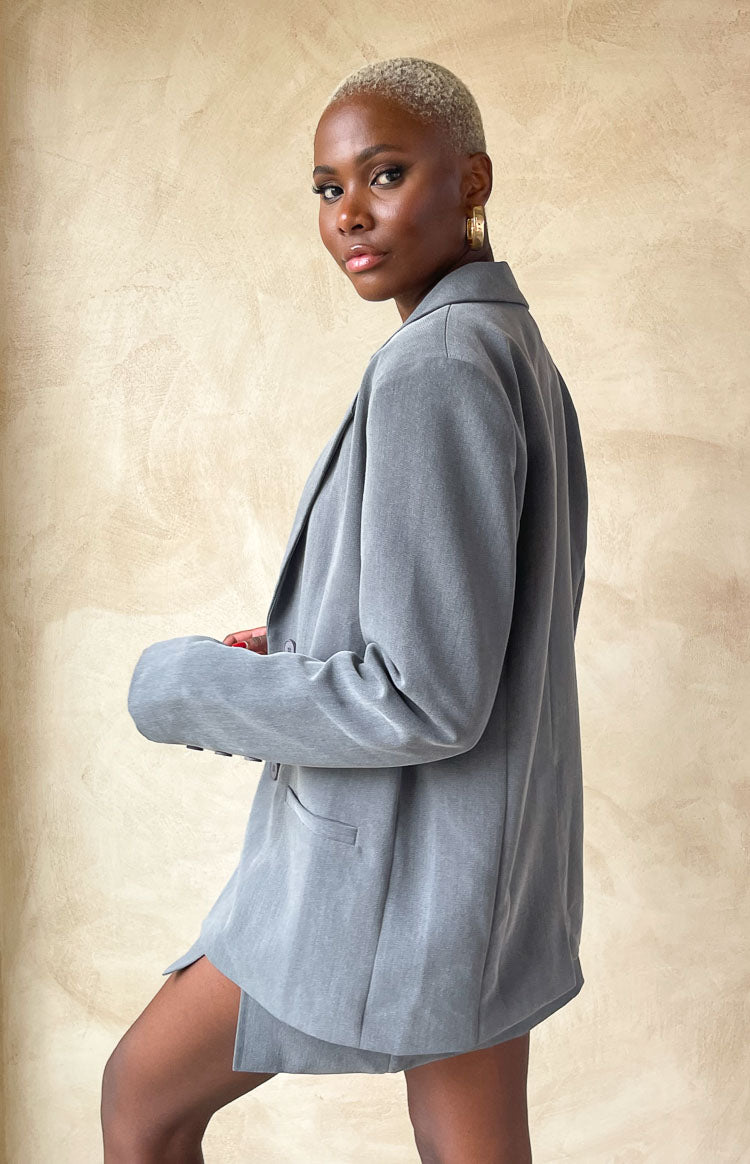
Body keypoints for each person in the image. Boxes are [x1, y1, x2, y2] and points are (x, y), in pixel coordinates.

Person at [101, 56, 588, 1163]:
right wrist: (306, 639)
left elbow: (427, 698)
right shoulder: (511, 348)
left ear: (472, 180)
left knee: (142, 1099)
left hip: (393, 870)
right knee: (469, 1143)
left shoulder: (439, 364)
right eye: (327, 188)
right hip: (482, 870)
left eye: (385, 173)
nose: (350, 215)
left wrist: (189, 685)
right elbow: (479, 626)